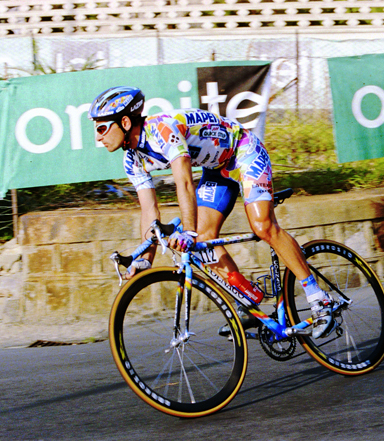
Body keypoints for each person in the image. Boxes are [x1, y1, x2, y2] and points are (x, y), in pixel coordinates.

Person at [88, 86, 335, 338]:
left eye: (101, 128)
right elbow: (149, 209)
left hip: (243, 151)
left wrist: (189, 231)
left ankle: (319, 297)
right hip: (217, 169)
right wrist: (145, 258)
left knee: (262, 226)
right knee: (204, 242)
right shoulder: (132, 159)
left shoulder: (162, 130)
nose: (98, 138)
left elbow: (184, 182)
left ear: (125, 121)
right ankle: (250, 304)